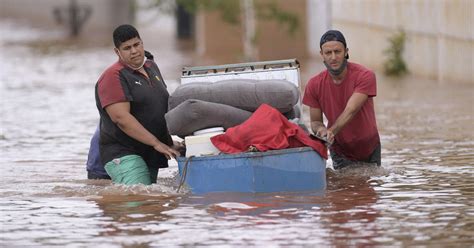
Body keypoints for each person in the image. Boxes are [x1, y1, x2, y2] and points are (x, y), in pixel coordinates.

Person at [95, 24, 183, 185]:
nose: (134, 51)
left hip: (150, 151)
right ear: (117, 52)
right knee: (137, 200)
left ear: (142, 43)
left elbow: (156, 110)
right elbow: (121, 118)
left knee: (151, 206)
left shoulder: (151, 67)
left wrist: (168, 142)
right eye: (127, 48)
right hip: (123, 152)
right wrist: (157, 143)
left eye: (137, 45)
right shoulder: (113, 76)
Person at [302, 30, 381, 169]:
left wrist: (331, 130)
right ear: (322, 55)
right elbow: (315, 122)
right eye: (328, 53)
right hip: (340, 150)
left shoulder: (365, 76)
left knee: (368, 188)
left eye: (337, 51)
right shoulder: (314, 85)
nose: (333, 57)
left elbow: (351, 110)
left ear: (346, 52)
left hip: (369, 147)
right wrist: (322, 131)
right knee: (342, 188)